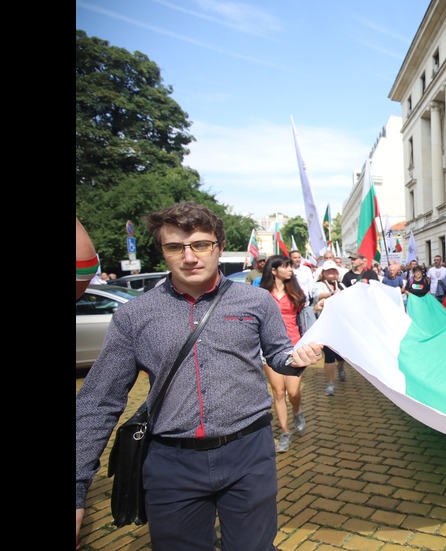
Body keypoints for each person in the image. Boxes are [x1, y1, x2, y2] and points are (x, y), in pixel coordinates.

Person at [75, 202, 322, 549]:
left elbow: (278, 355)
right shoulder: (134, 316)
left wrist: (296, 359)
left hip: (248, 452)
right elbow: (98, 402)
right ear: (163, 251)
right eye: (175, 247)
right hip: (170, 462)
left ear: (219, 247)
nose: (189, 257)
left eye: (201, 245)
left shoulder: (256, 302)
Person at [260, 255, 309, 452]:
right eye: (286, 266)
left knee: (294, 392)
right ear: (274, 270)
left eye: (291, 266)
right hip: (268, 347)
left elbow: (305, 319)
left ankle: (297, 410)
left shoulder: (296, 293)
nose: (291, 270)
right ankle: (285, 432)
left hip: (293, 346)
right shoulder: (262, 294)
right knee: (278, 392)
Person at [312, 260, 346, 396]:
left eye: (333, 271)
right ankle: (330, 383)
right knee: (329, 355)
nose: (331, 273)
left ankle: (341, 367)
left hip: (341, 325)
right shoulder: (319, 285)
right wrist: (332, 294)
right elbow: (317, 296)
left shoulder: (342, 284)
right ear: (323, 273)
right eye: (328, 271)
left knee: (341, 354)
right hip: (325, 325)